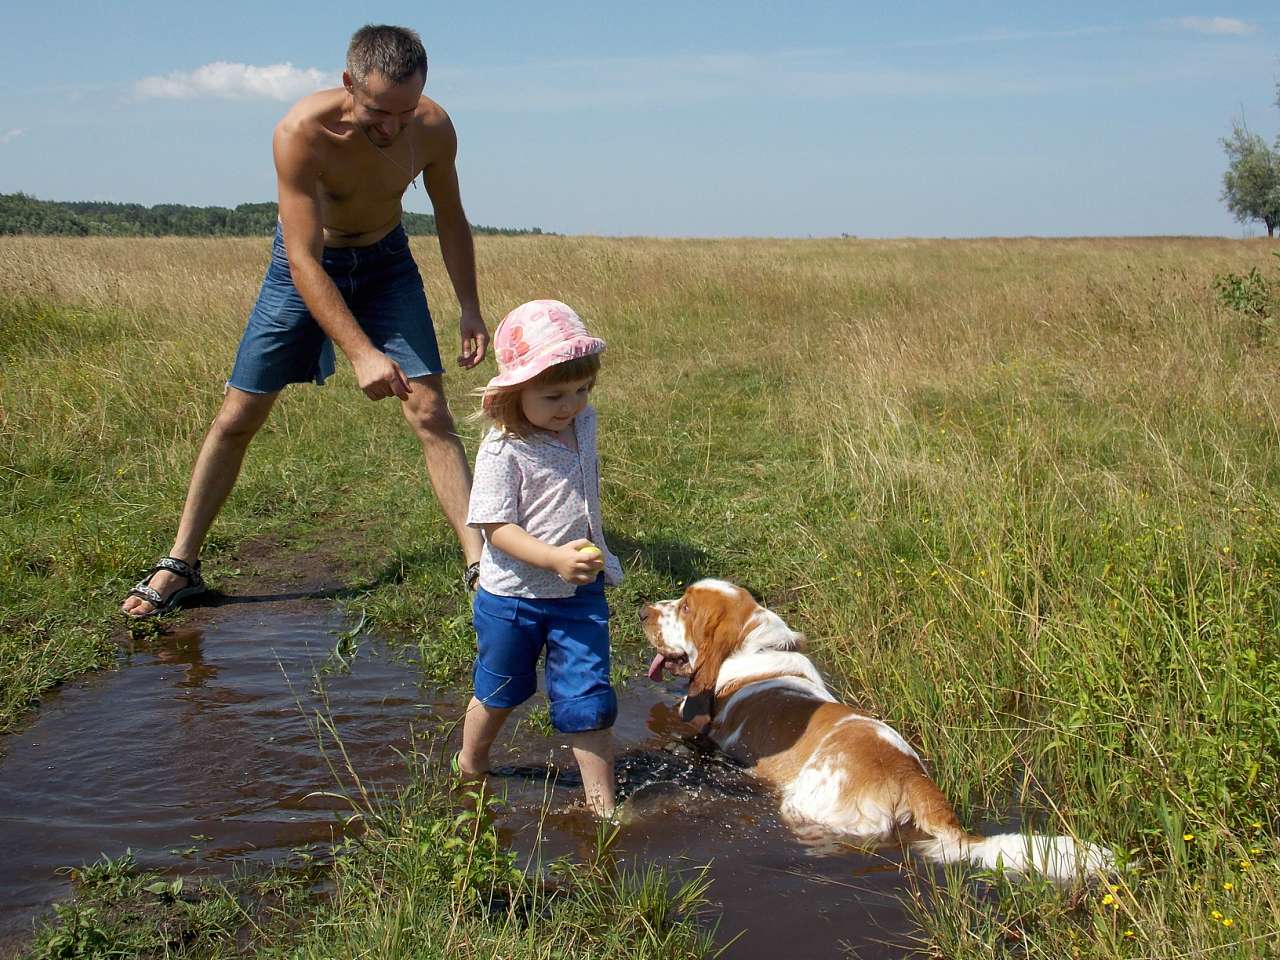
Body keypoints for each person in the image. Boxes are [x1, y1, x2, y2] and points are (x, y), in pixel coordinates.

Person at [121, 24, 488, 617]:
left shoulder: (433, 126)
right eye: (378, 111)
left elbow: (450, 215)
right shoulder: (301, 133)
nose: (392, 126)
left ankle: (480, 570)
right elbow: (302, 261)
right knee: (238, 414)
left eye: (405, 110)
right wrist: (362, 353)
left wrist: (469, 305)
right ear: (349, 83)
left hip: (388, 263)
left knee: (430, 411)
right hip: (308, 264)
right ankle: (180, 564)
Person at [455, 300, 624, 818]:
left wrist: (574, 559)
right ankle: (471, 764)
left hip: (578, 592)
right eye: (553, 395)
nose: (571, 405)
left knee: (589, 697)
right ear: (514, 392)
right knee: (501, 690)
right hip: (513, 598)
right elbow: (494, 527)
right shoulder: (503, 450)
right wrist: (551, 557)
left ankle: (603, 807)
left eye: (582, 389)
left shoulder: (582, 422)